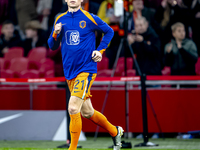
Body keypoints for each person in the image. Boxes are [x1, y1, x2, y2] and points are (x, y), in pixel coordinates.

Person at [48, 1, 123, 150]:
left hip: (86, 69)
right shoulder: (60, 19)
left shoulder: (90, 17)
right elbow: (52, 46)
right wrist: (56, 33)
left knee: (73, 108)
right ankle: (115, 132)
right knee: (87, 112)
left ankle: (72, 148)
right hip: (70, 72)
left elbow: (109, 31)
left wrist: (100, 50)